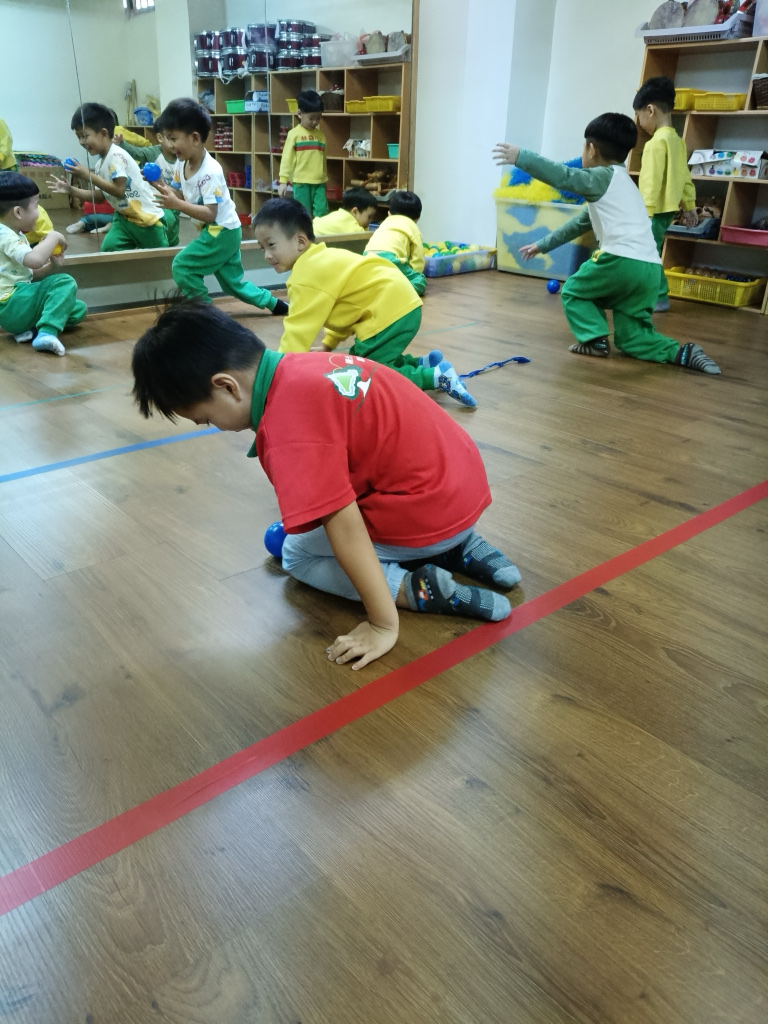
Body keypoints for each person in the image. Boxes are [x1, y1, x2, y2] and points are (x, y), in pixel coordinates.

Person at [132, 301, 520, 668]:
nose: (213, 427)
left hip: (429, 514)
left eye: (206, 419)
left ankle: (416, 586)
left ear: (227, 386)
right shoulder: (304, 365)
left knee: (297, 554)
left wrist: (382, 624)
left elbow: (344, 526)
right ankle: (458, 546)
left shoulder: (287, 426)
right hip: (464, 489)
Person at [492, 115, 720, 375]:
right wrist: (542, 245)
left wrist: (521, 157)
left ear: (592, 149)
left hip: (619, 261)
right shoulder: (624, 183)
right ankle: (680, 352)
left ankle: (595, 340)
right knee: (632, 337)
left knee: (575, 291)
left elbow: (564, 177)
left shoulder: (600, 177)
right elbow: (579, 223)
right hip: (650, 270)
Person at [253, 198, 477, 406]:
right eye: (263, 248)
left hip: (390, 312)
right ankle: (423, 363)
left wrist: (277, 372)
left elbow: (298, 330)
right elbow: (344, 309)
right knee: (370, 358)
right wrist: (329, 343)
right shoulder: (320, 259)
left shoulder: (306, 275)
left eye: (271, 245)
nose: (267, 255)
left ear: (300, 241)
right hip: (401, 304)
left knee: (369, 371)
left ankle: (435, 377)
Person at [154, 98, 287, 314]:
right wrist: (157, 184)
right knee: (232, 284)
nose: (169, 145)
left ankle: (204, 311)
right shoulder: (181, 163)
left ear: (195, 138)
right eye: (167, 138)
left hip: (221, 231)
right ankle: (276, 304)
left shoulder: (210, 172)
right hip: (220, 230)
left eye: (173, 138)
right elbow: (177, 193)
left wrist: (177, 204)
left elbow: (209, 213)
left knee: (182, 266)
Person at [47, 103, 168, 252]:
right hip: (124, 220)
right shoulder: (100, 164)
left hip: (148, 220)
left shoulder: (116, 156)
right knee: (109, 249)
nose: (81, 142)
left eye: (84, 136)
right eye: (78, 137)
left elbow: (119, 190)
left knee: (158, 258)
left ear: (104, 133)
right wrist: (70, 190)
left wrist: (87, 175)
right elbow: (99, 197)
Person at [0, 171, 86, 355]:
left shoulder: (14, 234)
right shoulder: (5, 235)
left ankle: (28, 331)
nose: (39, 212)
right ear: (18, 212)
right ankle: (47, 334)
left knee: (77, 308)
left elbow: (28, 274)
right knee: (65, 282)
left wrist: (52, 266)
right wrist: (53, 236)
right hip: (10, 303)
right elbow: (35, 260)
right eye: (36, 205)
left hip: (16, 306)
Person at [633, 76, 698, 312]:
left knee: (646, 252)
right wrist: (689, 206)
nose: (639, 123)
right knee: (652, 249)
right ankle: (653, 294)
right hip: (667, 210)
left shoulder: (655, 143)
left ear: (650, 110)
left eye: (639, 115)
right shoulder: (677, 141)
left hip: (652, 211)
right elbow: (685, 178)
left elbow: (650, 183)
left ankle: (658, 296)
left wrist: (645, 212)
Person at [365, 189, 427, 296]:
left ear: (389, 213)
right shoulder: (412, 227)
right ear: (417, 218)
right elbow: (418, 258)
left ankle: (377, 287)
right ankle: (398, 291)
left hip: (367, 258)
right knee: (420, 280)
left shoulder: (385, 223)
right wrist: (414, 274)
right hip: (390, 259)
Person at [278, 90, 328, 217]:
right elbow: (287, 159)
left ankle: (318, 231)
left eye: (318, 118)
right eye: (311, 118)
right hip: (301, 182)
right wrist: (283, 181)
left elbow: (323, 159)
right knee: (303, 214)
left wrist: (324, 177)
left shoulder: (321, 136)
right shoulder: (294, 134)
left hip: (319, 182)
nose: (315, 122)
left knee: (322, 212)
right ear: (299, 114)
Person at [313, 187, 378, 236]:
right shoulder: (354, 228)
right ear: (355, 212)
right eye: (369, 217)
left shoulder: (339, 214)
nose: (371, 221)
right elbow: (366, 238)